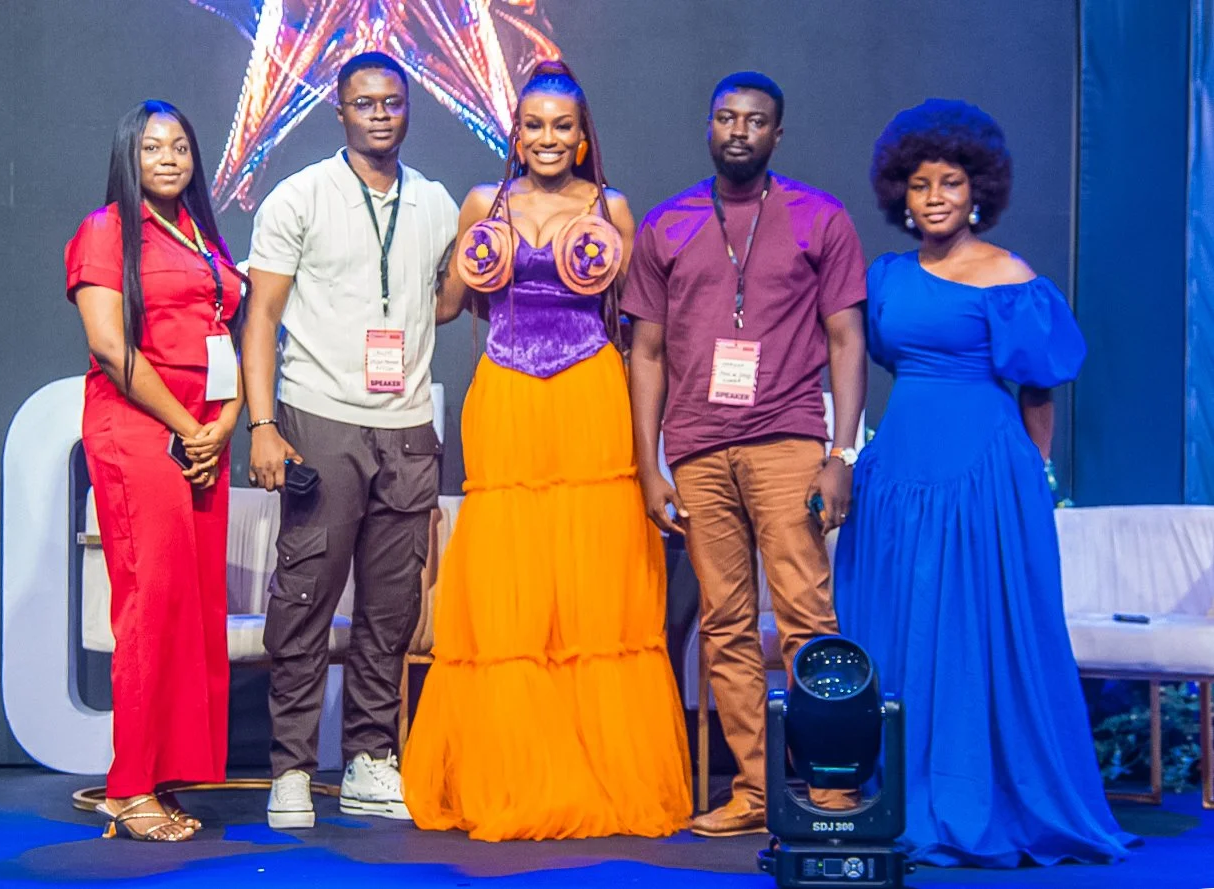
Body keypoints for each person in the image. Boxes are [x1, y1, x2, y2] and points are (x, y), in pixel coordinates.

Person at [832, 99, 1136, 867]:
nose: (934, 195)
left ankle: (982, 793)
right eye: (920, 183)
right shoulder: (886, 277)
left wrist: (1031, 477)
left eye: (951, 182)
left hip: (981, 474)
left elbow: (1037, 391)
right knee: (900, 623)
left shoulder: (1010, 278)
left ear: (978, 192)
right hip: (900, 469)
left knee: (977, 627)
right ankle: (903, 788)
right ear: (900, 192)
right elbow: (860, 366)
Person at [400, 60, 692, 842]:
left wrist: (653, 443)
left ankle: (597, 770)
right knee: (512, 588)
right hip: (505, 396)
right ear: (515, 133)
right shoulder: (479, 204)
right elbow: (448, 303)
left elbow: (639, 332)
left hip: (589, 395)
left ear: (583, 134)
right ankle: (515, 770)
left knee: (591, 586)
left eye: (563, 125)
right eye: (533, 125)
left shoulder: (612, 208)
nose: (548, 138)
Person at [624, 72, 867, 838]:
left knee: (805, 616)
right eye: (725, 117)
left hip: (790, 442)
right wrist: (648, 462)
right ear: (707, 126)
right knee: (723, 625)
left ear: (776, 134)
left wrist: (842, 453)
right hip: (696, 451)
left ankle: (827, 784)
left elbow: (845, 339)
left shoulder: (819, 218)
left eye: (754, 121)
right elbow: (647, 353)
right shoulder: (666, 224)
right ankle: (759, 791)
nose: (738, 131)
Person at [242, 51, 459, 829]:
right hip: (318, 415)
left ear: (407, 110)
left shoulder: (434, 203)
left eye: (392, 103)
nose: (379, 114)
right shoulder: (300, 196)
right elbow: (260, 316)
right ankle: (293, 768)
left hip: (405, 426)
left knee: (391, 605)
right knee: (303, 596)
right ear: (339, 111)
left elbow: (439, 307)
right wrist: (262, 424)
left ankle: (370, 758)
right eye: (364, 103)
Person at [65, 100, 247, 841]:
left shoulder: (201, 234)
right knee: (149, 604)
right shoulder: (105, 231)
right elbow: (111, 348)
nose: (170, 158)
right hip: (141, 428)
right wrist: (188, 427)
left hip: (204, 433)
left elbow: (224, 338)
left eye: (180, 146)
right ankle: (128, 789)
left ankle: (163, 775)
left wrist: (224, 423)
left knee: (189, 608)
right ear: (128, 158)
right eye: (152, 148)